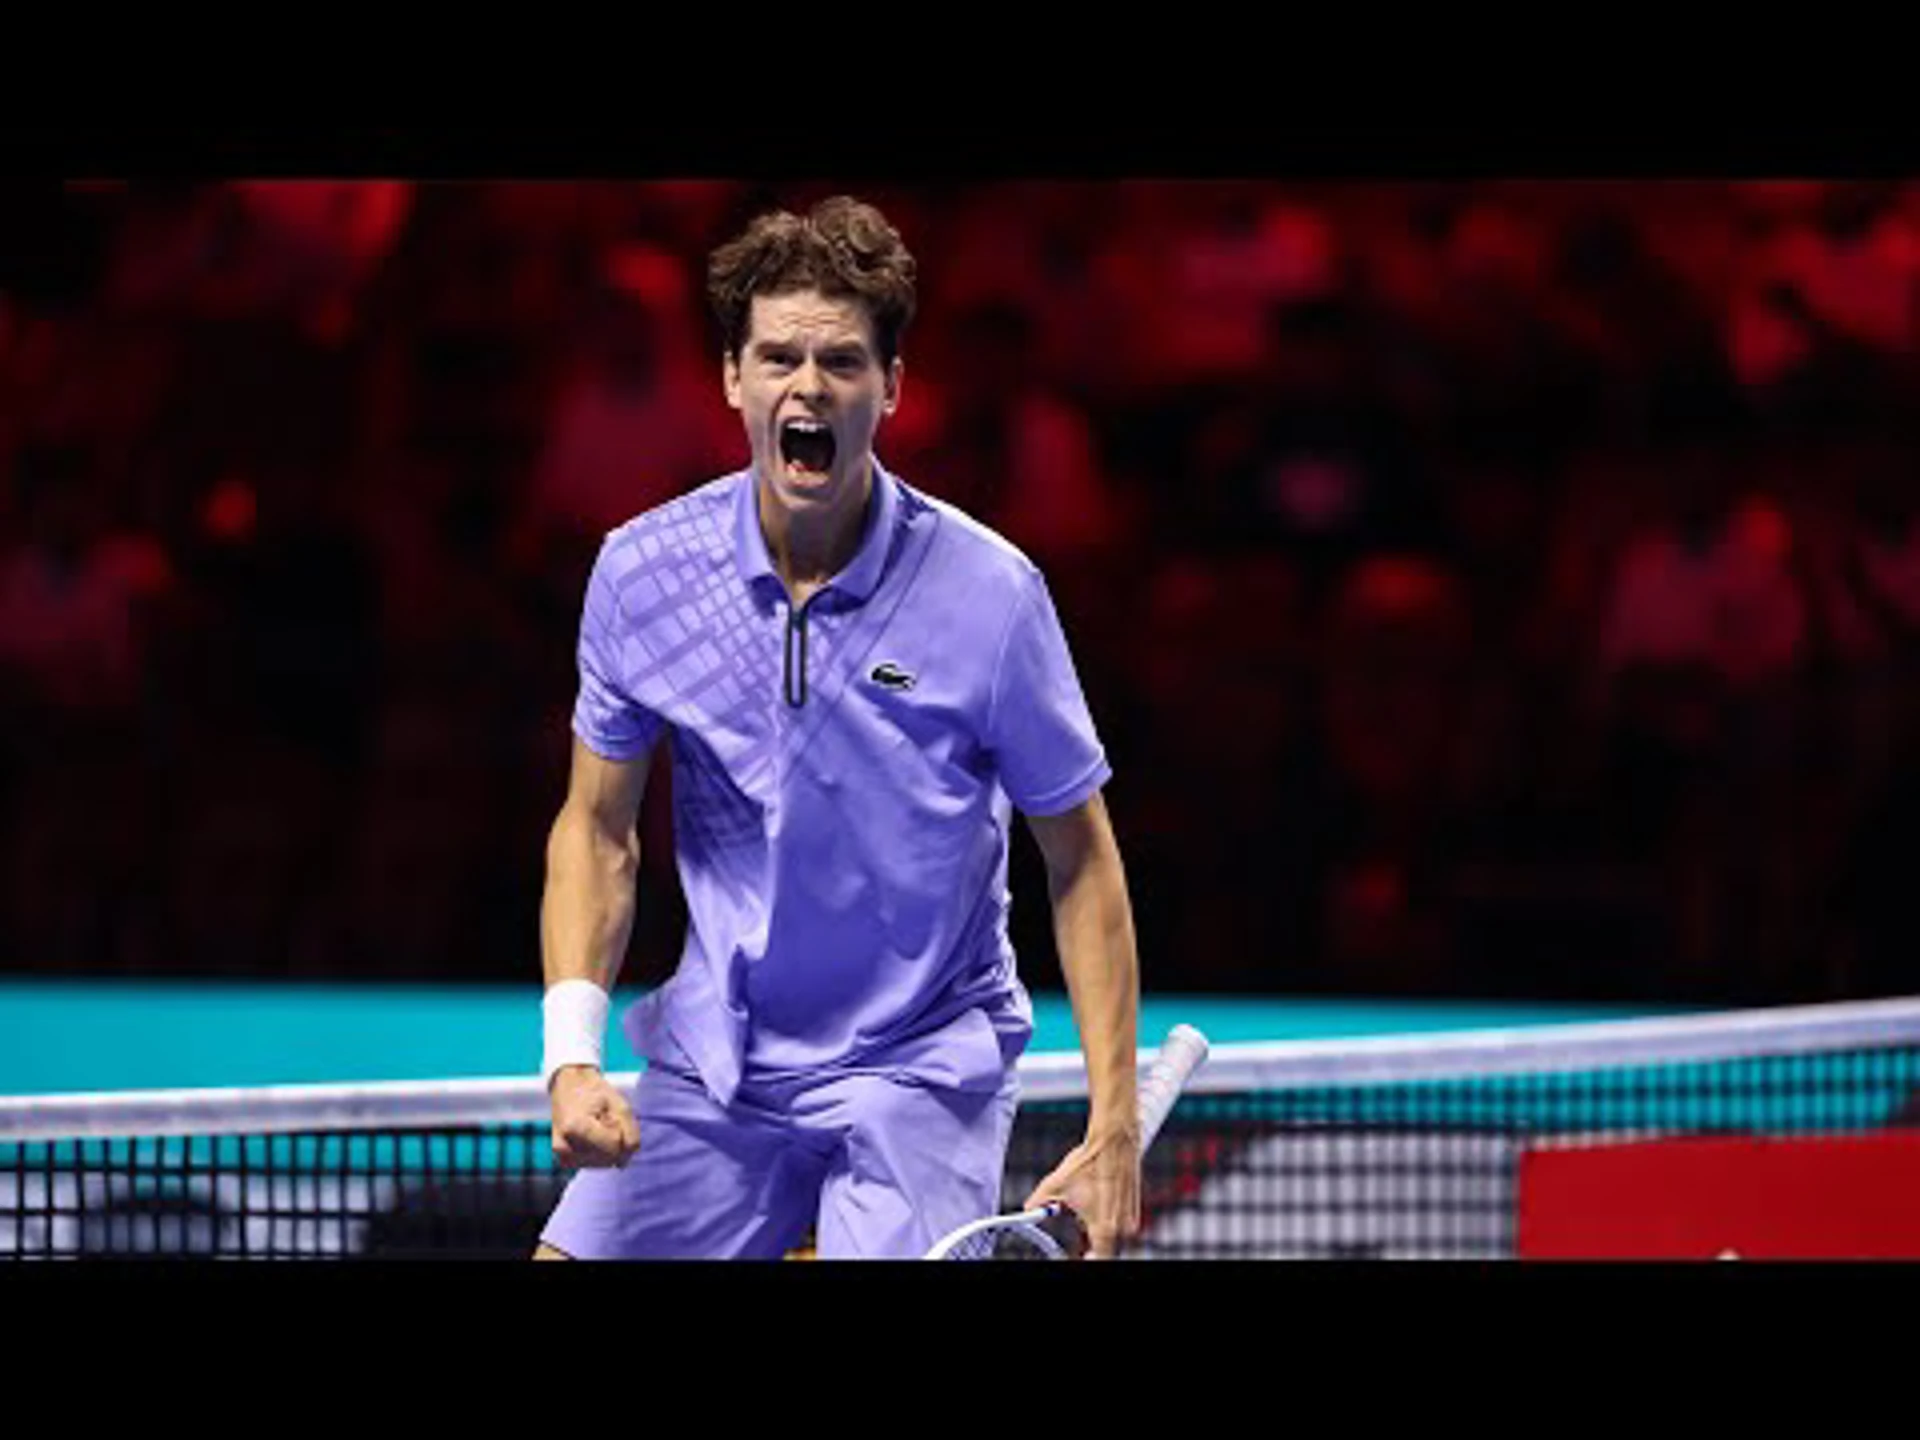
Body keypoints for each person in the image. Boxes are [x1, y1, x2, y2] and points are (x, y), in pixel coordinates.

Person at [532, 196, 1143, 1260]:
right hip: (718, 1064)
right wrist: (573, 1056)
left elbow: (1080, 858)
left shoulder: (990, 596)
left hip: (917, 1068)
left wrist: (1115, 1125)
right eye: (777, 358)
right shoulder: (643, 573)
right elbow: (597, 829)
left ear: (893, 388)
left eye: (842, 362)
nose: (807, 386)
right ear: (732, 378)